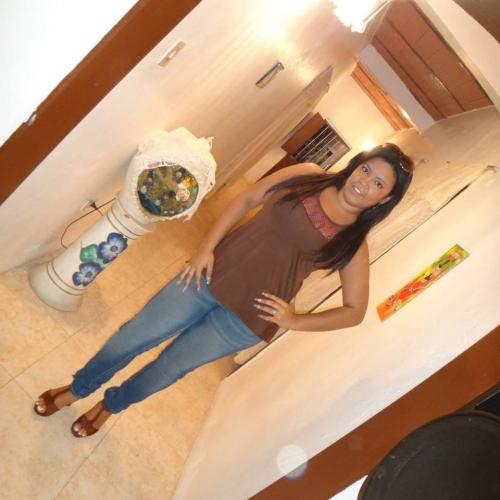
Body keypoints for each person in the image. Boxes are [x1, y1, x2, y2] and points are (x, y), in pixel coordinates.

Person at [33, 143, 414, 437]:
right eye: (366, 169)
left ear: (384, 200)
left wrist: (294, 319)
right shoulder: (308, 176)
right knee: (133, 336)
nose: (365, 182)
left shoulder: (353, 244)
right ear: (357, 164)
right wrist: (206, 248)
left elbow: (354, 310)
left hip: (245, 321)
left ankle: (110, 406)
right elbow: (248, 199)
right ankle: (77, 389)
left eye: (378, 184)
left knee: (167, 369)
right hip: (207, 277)